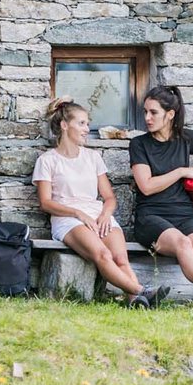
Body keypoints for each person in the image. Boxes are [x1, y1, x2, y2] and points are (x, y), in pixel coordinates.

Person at [34, 98, 157, 308]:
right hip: (68, 220)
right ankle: (140, 291)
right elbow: (45, 203)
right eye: (81, 123)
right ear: (65, 125)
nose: (86, 129)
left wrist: (105, 215)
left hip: (99, 216)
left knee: (120, 258)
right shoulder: (47, 161)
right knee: (103, 254)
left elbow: (109, 198)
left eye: (87, 123)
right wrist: (78, 214)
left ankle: (137, 302)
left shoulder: (93, 157)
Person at [128, 84, 193, 307]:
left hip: (184, 213)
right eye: (145, 112)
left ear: (170, 115)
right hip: (151, 216)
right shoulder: (139, 144)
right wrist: (180, 172)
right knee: (183, 244)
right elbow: (146, 186)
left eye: (153, 112)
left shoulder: (184, 139)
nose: (147, 117)